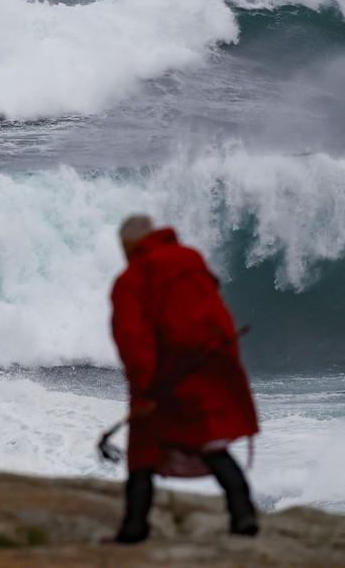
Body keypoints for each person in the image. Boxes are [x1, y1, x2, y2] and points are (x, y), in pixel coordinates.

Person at [109, 214, 260, 544]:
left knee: (143, 450)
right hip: (210, 362)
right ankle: (243, 513)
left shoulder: (132, 278)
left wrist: (143, 390)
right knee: (208, 440)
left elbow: (134, 339)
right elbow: (214, 309)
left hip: (165, 372)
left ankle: (134, 528)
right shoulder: (190, 259)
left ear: (130, 244)